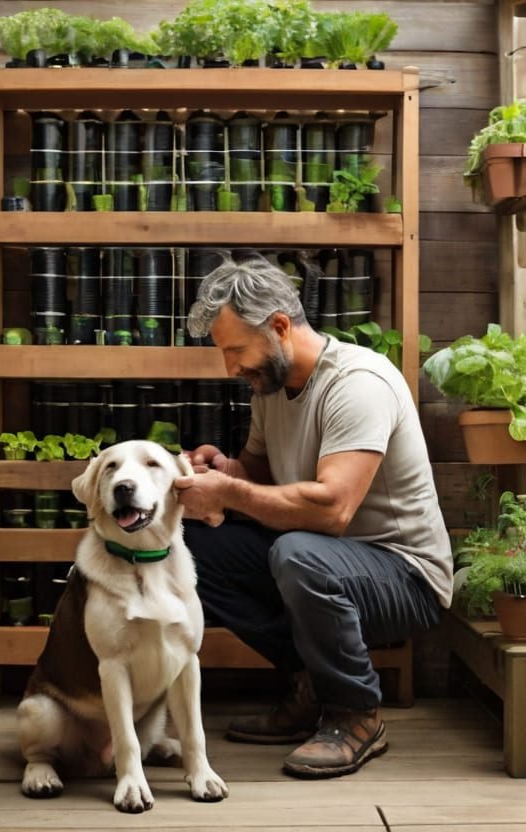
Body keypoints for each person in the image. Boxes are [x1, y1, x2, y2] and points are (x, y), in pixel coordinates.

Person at [174, 252, 453, 780]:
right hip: (318, 558)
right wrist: (222, 468)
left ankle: (356, 714)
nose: (230, 368)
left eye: (235, 350)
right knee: (191, 547)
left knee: (299, 553)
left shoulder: (358, 383)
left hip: (405, 574)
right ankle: (311, 684)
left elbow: (332, 510)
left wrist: (229, 491)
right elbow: (256, 476)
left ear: (280, 326)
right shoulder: (272, 385)